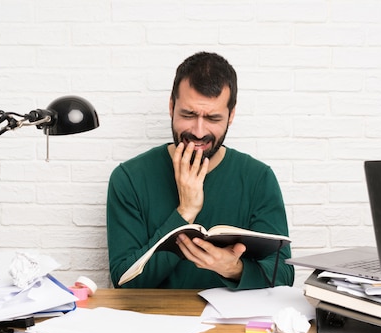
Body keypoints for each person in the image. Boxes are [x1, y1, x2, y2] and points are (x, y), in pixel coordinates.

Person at [106, 51, 294, 289]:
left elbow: (284, 274)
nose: (198, 131)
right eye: (188, 114)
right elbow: (124, 281)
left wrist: (234, 269)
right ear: (171, 106)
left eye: (213, 118)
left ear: (231, 115)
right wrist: (185, 212)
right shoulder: (129, 178)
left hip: (233, 324)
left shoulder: (258, 178)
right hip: (155, 321)